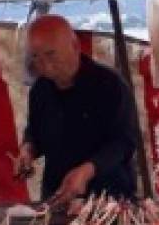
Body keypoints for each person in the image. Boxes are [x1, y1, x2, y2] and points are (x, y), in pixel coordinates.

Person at [14, 15, 140, 204]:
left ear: (75, 46)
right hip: (58, 196)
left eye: (51, 54)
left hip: (109, 197)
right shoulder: (39, 90)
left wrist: (87, 170)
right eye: (35, 57)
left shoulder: (111, 85)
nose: (45, 65)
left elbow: (124, 142)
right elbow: (35, 131)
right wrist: (28, 150)